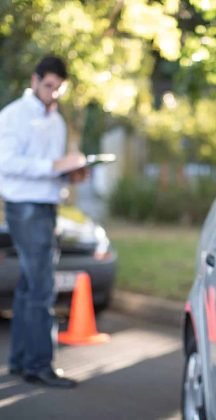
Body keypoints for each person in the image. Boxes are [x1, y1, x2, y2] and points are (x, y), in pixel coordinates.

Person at [0, 55, 88, 388]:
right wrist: (54, 165)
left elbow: (54, 170)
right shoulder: (13, 116)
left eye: (59, 88)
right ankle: (40, 364)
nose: (53, 93)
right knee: (41, 287)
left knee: (28, 286)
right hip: (24, 207)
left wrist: (71, 174)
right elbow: (5, 162)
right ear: (34, 80)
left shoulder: (58, 121)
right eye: (49, 85)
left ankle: (21, 361)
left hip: (47, 206)